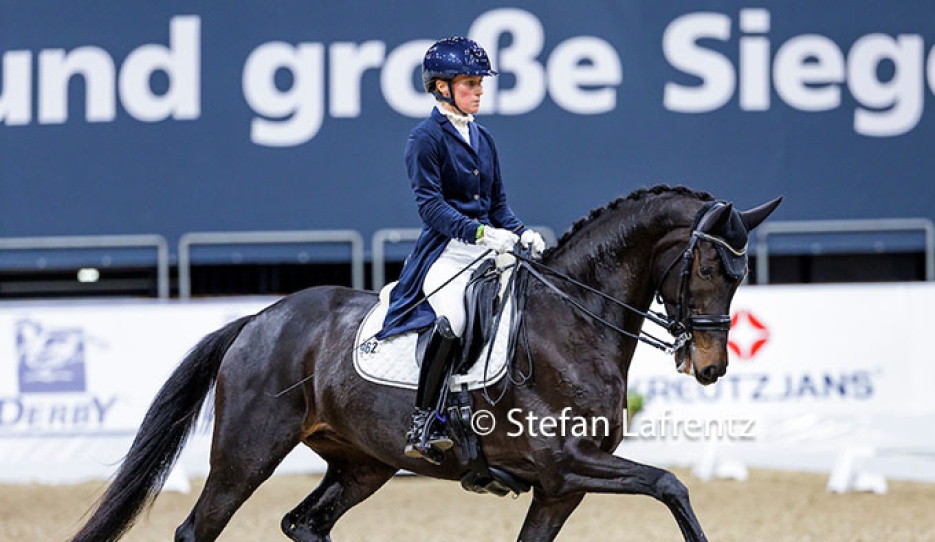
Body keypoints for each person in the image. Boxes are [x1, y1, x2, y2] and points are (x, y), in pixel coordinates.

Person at [375, 36, 546, 464]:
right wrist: (481, 234)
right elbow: (431, 207)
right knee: (452, 319)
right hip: (446, 253)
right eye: (470, 83)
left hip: (488, 249)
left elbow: (499, 206)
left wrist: (521, 232)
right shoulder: (424, 139)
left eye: (479, 83)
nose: (479, 90)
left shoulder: (483, 138)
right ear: (441, 87)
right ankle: (424, 420)